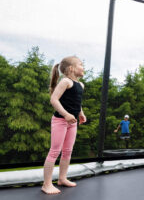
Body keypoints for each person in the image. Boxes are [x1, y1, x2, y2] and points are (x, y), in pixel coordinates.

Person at [41, 56, 87, 195]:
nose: (83, 67)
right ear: (71, 68)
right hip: (60, 121)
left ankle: (62, 178)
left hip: (72, 124)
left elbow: (76, 102)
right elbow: (54, 100)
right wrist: (66, 114)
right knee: (55, 151)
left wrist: (81, 113)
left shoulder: (81, 85)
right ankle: (46, 184)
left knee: (68, 151)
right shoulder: (65, 81)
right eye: (81, 64)